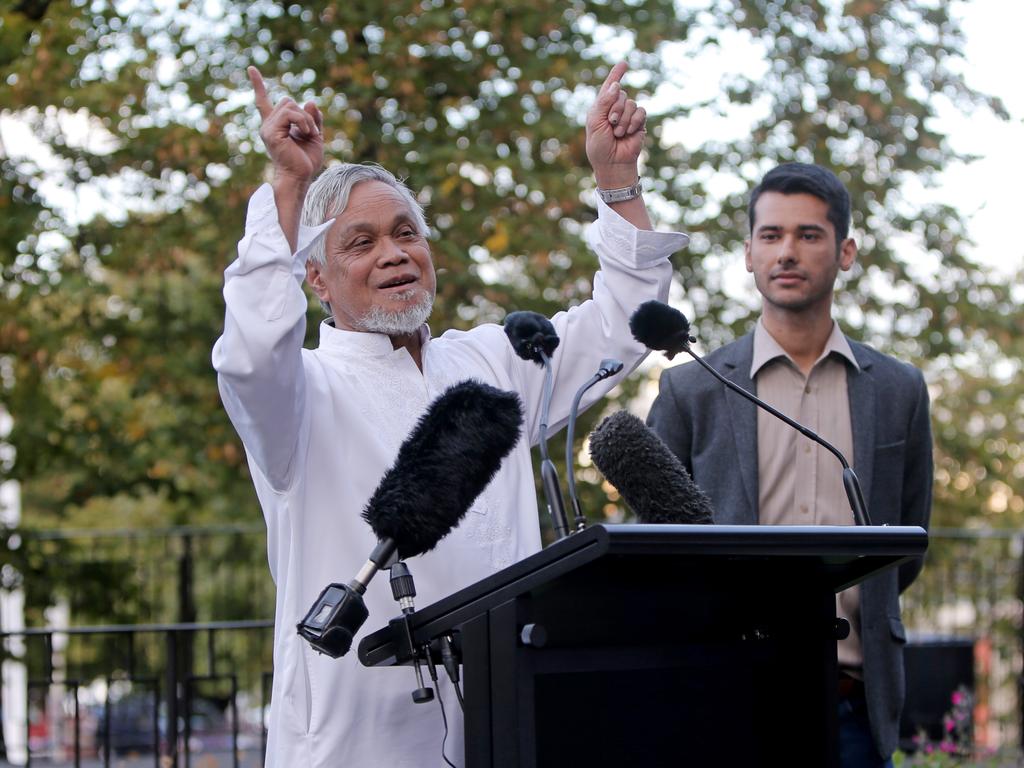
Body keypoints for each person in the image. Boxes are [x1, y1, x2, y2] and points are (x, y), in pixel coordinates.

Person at [212, 62, 689, 767]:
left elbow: (623, 329)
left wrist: (617, 182)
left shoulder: (493, 360)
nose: (394, 254)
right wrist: (287, 187)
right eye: (361, 242)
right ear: (315, 278)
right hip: (358, 741)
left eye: (407, 232)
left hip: (508, 725)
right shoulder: (299, 393)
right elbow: (251, 354)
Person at [647, 162, 932, 768]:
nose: (787, 252)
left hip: (853, 700)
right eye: (771, 236)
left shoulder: (899, 389)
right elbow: (657, 550)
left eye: (809, 235)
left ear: (846, 251)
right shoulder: (689, 390)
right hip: (724, 691)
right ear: (748, 253)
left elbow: (908, 541)